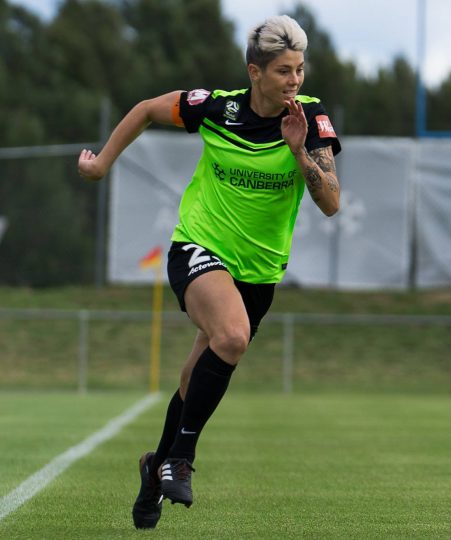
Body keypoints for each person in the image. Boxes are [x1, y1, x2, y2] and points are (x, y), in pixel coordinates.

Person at [77, 15, 341, 530]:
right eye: (284, 71)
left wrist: (298, 149)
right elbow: (147, 109)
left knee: (192, 376)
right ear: (255, 72)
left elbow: (330, 202)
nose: (295, 81)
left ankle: (155, 466)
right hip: (198, 247)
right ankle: (181, 459)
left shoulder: (311, 118)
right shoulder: (215, 107)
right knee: (233, 336)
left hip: (259, 273)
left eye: (300, 70)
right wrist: (102, 163)